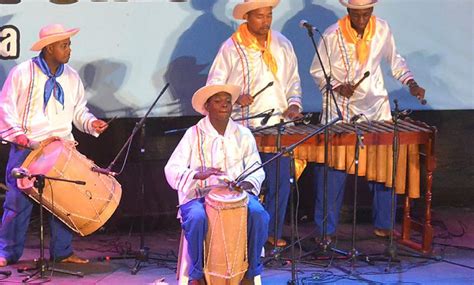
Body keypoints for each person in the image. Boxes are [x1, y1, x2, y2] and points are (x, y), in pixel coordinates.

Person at [310, 0, 426, 240]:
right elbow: (318, 71)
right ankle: (325, 231)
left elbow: (396, 63)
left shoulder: (382, 29)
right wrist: (337, 86)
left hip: (376, 110)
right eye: (357, 15)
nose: (362, 20)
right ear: (348, 11)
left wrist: (411, 83)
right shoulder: (332, 35)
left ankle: (384, 223)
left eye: (366, 14)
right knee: (332, 173)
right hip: (340, 111)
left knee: (384, 170)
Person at [0, 24, 109, 266]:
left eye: (69, 44)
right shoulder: (22, 72)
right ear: (49, 48)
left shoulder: (71, 76)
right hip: (29, 148)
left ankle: (62, 252)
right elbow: (5, 106)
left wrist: (91, 124)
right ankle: (7, 252)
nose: (69, 49)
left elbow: (79, 110)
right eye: (64, 45)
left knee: (65, 202)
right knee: (17, 203)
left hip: (61, 150)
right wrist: (18, 135)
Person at [206, 0, 303, 247]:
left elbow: (293, 82)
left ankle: (271, 233)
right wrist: (235, 97)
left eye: (268, 15)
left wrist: (294, 105)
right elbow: (215, 86)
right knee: (245, 185)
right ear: (247, 17)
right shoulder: (231, 47)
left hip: (279, 126)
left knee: (280, 184)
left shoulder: (283, 43)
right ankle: (241, 236)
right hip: (244, 129)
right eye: (260, 16)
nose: (266, 21)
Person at [164, 84, 269, 285]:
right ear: (207, 106)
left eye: (228, 101)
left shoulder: (243, 134)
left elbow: (257, 167)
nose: (224, 106)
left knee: (259, 214)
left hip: (238, 197)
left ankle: (251, 271)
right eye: (218, 101)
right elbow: (172, 168)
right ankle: (197, 275)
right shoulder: (193, 134)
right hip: (199, 196)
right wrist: (196, 174)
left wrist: (246, 184)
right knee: (196, 217)